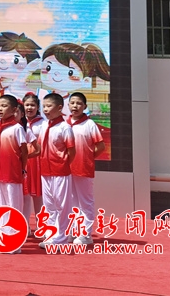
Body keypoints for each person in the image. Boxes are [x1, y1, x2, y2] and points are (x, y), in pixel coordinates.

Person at [38, 92, 75, 248]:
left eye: (49, 106)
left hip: (60, 172)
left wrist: (63, 164)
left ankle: (61, 238)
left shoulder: (65, 127)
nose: (45, 109)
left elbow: (72, 151)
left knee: (62, 206)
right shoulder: (44, 125)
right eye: (44, 106)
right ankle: (51, 235)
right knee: (49, 205)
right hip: (45, 171)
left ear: (59, 108)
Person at [68, 92, 105, 245]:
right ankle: (73, 231)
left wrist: (87, 158)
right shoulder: (64, 123)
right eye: (72, 103)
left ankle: (86, 235)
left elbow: (101, 147)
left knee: (85, 202)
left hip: (83, 169)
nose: (75, 106)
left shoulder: (89, 124)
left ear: (84, 106)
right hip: (66, 169)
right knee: (71, 202)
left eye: (78, 103)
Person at [0, 95, 37, 219]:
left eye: (4, 106)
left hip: (13, 172)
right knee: (0, 203)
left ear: (14, 110)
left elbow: (24, 151)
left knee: (13, 202)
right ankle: (2, 227)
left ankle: (15, 228)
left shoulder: (17, 128)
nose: (0, 109)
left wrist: (22, 168)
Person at [22, 92, 45, 233]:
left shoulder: (43, 123)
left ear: (37, 107)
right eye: (27, 105)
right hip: (24, 162)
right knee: (24, 195)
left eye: (32, 105)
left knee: (38, 196)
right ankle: (24, 226)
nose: (29, 108)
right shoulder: (20, 123)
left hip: (37, 162)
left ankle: (41, 226)